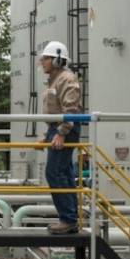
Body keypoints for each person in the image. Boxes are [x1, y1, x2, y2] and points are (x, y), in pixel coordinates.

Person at [38, 41, 82, 234]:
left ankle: (68, 219)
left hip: (65, 128)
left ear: (57, 59)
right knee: (64, 172)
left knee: (54, 173)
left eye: (46, 58)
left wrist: (61, 133)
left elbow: (70, 109)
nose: (42, 62)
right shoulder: (54, 80)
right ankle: (70, 217)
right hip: (56, 129)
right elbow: (53, 110)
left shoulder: (67, 79)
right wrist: (47, 135)